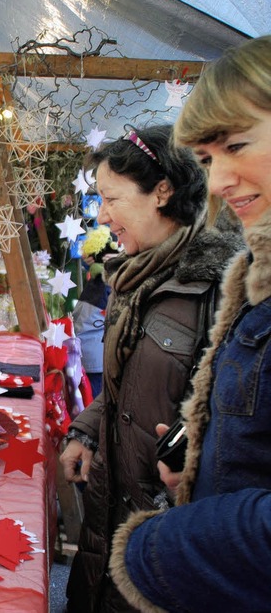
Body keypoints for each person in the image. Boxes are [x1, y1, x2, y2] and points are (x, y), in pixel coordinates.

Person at [109, 35, 271, 612]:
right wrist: (199, 465)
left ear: (160, 194)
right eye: (208, 161)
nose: (221, 181)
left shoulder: (212, 279)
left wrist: (153, 550)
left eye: (237, 145)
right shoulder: (251, 282)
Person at [58, 124, 244, 612]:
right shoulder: (135, 276)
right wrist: (90, 430)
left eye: (111, 198)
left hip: (160, 535)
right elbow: (125, 385)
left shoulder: (221, 289)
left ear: (162, 191)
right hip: (111, 511)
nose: (102, 215)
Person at [72, 225, 118, 397]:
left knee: (95, 396)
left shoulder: (104, 284)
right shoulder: (104, 282)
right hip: (93, 351)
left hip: (94, 354)